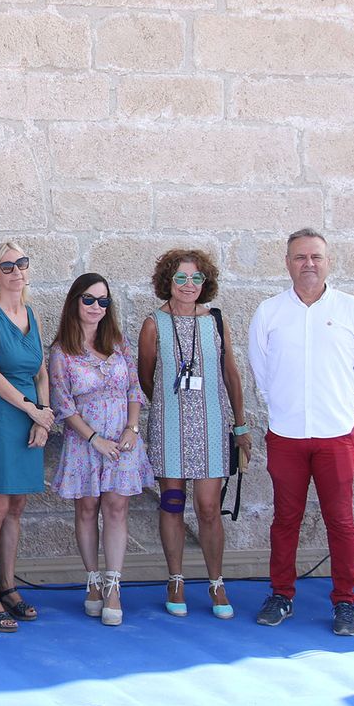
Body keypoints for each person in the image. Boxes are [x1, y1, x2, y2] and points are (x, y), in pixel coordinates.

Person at [249, 228, 354, 637]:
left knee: (340, 520)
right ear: (287, 262)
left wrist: (349, 402)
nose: (308, 264)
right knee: (285, 519)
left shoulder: (352, 309)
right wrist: (282, 405)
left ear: (328, 261)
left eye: (316, 257)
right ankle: (281, 594)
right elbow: (260, 368)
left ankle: (345, 602)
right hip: (286, 434)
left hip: (335, 434)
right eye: (300, 257)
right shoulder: (270, 312)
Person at [138, 248, 251, 620]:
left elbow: (230, 374)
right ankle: (175, 579)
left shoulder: (216, 321)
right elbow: (146, 376)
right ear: (168, 281)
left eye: (196, 278)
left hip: (213, 424)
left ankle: (216, 582)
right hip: (169, 425)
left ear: (206, 283)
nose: (189, 286)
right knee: (172, 504)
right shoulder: (153, 324)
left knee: (207, 508)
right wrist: (172, 409)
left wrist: (241, 425)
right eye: (181, 278)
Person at [48, 273, 153, 627]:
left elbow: (135, 390)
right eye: (89, 300)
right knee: (87, 508)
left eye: (103, 301)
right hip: (85, 443)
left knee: (117, 507)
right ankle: (91, 579)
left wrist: (131, 429)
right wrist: (95, 439)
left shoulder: (118, 343)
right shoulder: (62, 351)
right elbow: (62, 405)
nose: (96, 307)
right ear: (75, 301)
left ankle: (113, 585)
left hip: (122, 441)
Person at [0, 242, 54, 632]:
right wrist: (30, 409)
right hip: (1, 413)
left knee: (17, 507)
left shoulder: (31, 313)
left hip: (30, 414)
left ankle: (8, 583)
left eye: (22, 263)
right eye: (8, 266)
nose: (17, 271)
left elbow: (41, 371)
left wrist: (44, 416)